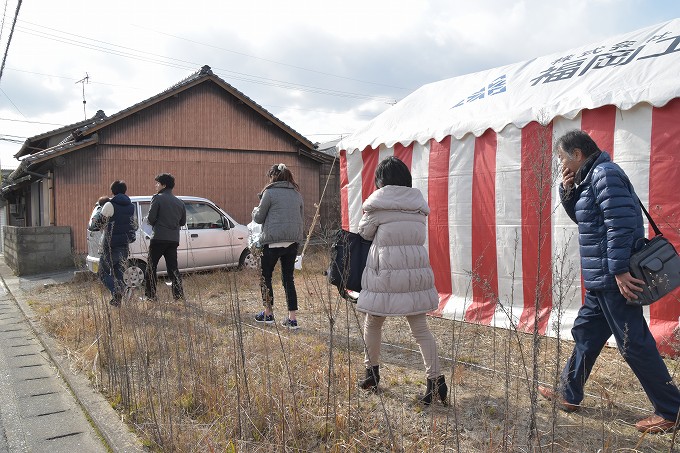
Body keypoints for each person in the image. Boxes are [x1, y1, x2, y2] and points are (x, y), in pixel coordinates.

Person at [539, 129, 680, 433]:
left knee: (634, 344)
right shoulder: (590, 178)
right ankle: (569, 391)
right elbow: (587, 220)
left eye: (562, 157)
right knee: (587, 333)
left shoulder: (604, 174)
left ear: (577, 154)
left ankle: (672, 410)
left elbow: (621, 223)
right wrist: (568, 191)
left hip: (613, 277)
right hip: (602, 278)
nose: (561, 163)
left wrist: (618, 271)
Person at [356, 156, 447, 406]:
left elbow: (364, 233)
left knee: (373, 322)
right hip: (414, 273)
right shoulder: (418, 206)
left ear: (381, 181)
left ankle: (371, 374)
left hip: (385, 273)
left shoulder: (377, 206)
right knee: (420, 330)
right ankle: (437, 382)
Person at [251, 163, 304, 329]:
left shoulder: (269, 193)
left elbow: (258, 218)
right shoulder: (297, 194)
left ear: (273, 177)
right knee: (288, 279)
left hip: (272, 241)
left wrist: (255, 211)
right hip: (292, 241)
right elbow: (301, 217)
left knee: (266, 277)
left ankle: (268, 314)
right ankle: (292, 319)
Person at [144, 173, 186, 301]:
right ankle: (178, 296)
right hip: (173, 239)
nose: (156, 185)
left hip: (158, 238)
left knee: (151, 266)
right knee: (173, 268)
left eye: (157, 183)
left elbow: (151, 218)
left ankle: (151, 295)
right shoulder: (180, 202)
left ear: (164, 185)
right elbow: (183, 222)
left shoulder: (157, 198)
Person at [98, 181, 135, 307]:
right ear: (125, 191)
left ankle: (116, 291)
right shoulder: (131, 206)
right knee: (119, 273)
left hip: (110, 245)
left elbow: (99, 223)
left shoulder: (109, 204)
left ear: (112, 191)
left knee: (102, 273)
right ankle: (117, 299)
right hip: (124, 244)